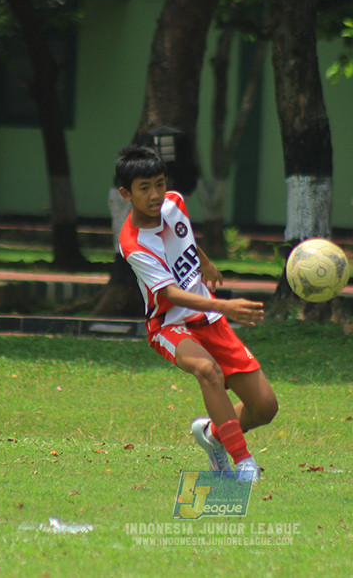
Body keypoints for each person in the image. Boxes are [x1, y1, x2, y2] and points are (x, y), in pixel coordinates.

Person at [115, 144, 277, 482]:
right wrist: (226, 305)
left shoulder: (174, 202)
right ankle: (242, 461)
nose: (155, 194)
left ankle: (213, 434)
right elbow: (172, 294)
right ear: (125, 194)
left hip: (209, 319)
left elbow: (183, 236)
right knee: (206, 369)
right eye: (144, 188)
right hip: (169, 325)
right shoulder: (133, 244)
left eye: (159, 184)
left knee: (265, 408)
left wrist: (204, 262)